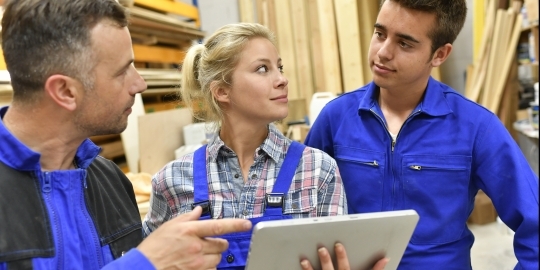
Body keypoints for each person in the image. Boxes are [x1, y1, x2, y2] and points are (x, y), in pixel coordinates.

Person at [0, 0, 253, 269]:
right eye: (122, 72)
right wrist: (143, 263)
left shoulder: (111, 182)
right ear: (64, 91)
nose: (139, 84)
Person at [304, 0, 539, 269]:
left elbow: (534, 220)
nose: (382, 52)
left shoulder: (476, 127)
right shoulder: (335, 119)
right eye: (380, 34)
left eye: (404, 43)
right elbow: (299, 212)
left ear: (440, 54)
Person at [142, 23, 388, 270]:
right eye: (263, 69)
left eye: (279, 67)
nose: (282, 80)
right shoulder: (171, 182)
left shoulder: (318, 170)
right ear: (222, 91)